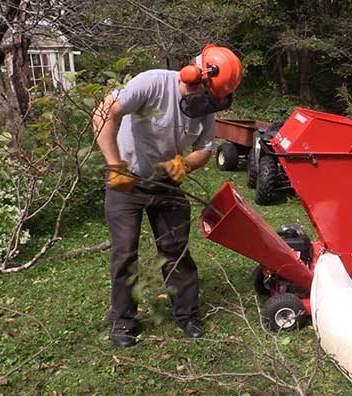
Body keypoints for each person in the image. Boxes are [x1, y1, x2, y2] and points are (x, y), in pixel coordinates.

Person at [93, 44, 243, 347]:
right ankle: (123, 321)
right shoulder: (151, 83)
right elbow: (102, 114)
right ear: (192, 76)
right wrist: (114, 165)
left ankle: (187, 315)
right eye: (204, 96)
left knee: (176, 250)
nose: (206, 105)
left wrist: (186, 164)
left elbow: (204, 149)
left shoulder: (205, 107)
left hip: (167, 183)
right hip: (127, 180)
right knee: (124, 253)